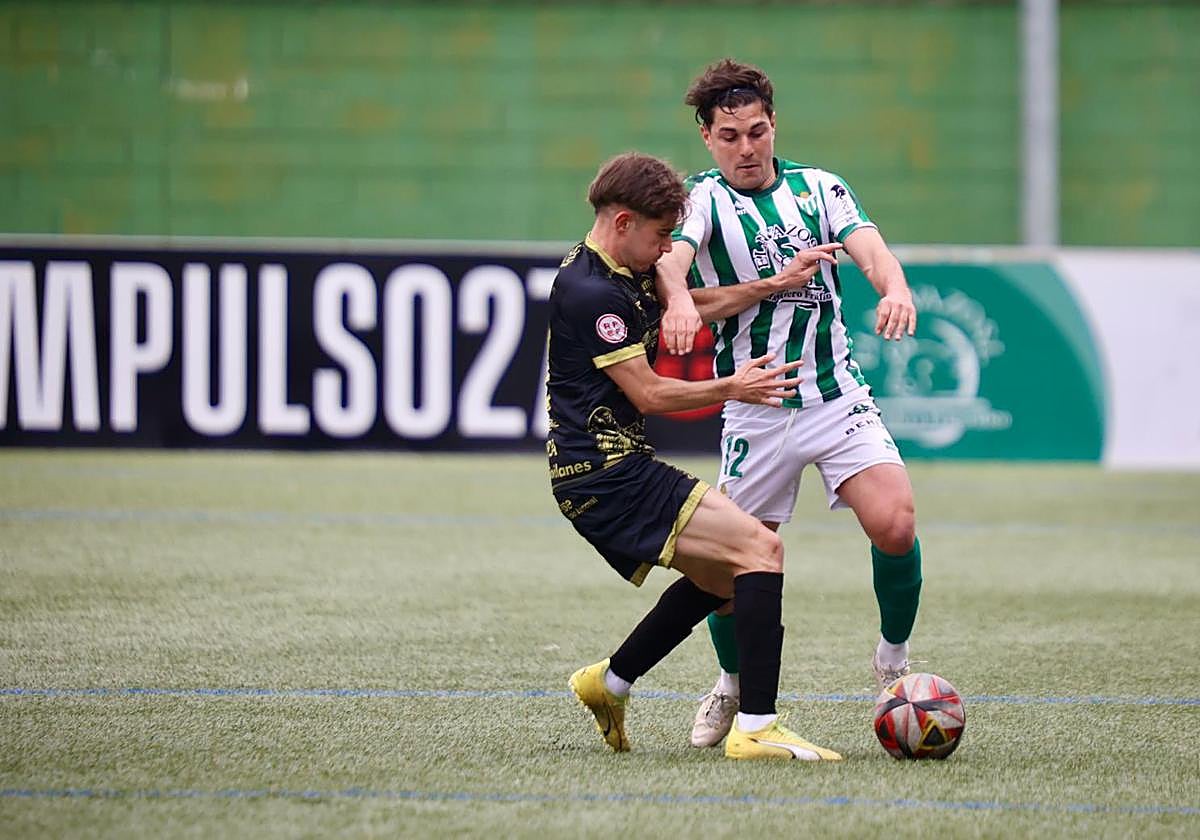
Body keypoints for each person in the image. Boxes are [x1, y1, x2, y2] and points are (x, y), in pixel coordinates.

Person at [654, 58, 925, 749]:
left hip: (836, 397)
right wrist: (681, 302)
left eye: (757, 131)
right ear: (707, 139)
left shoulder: (820, 189)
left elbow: (871, 250)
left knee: (894, 523)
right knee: (726, 567)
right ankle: (732, 683)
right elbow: (670, 263)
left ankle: (892, 663)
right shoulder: (703, 200)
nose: (747, 148)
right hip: (756, 406)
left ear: (774, 127)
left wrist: (893, 287)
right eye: (730, 136)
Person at [550, 151, 844, 761]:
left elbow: (696, 302)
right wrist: (732, 387)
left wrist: (773, 284)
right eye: (662, 236)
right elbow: (651, 393)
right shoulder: (591, 293)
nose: (667, 252)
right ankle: (757, 726)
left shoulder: (621, 268)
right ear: (624, 222)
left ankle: (609, 682)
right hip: (606, 474)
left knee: (729, 582)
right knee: (761, 550)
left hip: (609, 470)